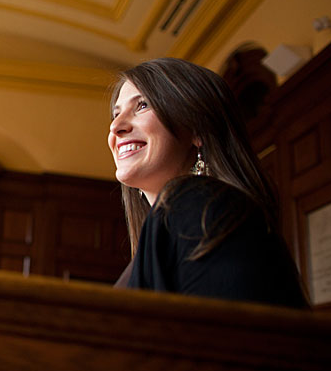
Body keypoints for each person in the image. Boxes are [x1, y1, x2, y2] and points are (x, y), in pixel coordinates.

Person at [108, 58, 307, 308]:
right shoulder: (170, 233)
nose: (116, 126)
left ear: (197, 129)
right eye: (116, 114)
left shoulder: (203, 206)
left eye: (143, 105)